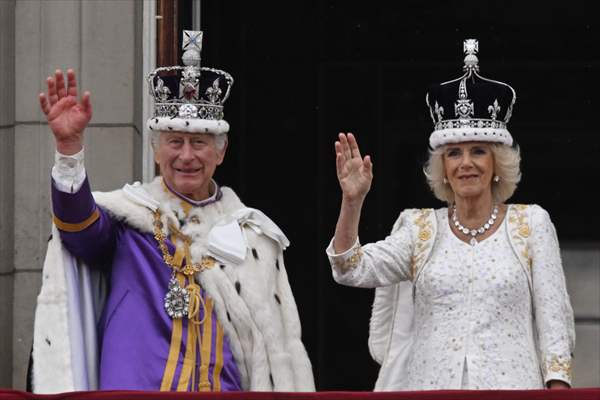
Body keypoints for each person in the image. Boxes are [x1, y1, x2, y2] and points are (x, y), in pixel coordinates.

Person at [32, 30, 314, 393]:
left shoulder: (253, 237)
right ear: (156, 150)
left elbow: (274, 352)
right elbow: (79, 231)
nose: (186, 156)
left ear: (220, 152)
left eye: (199, 143)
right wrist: (68, 149)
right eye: (175, 142)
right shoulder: (129, 221)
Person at [326, 39, 575, 390]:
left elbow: (555, 325)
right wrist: (352, 202)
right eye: (454, 153)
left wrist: (558, 387)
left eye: (478, 151)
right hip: (430, 389)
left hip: (513, 391)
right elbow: (350, 269)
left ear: (497, 164)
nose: (466, 163)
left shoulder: (531, 224)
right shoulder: (419, 229)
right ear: (442, 167)